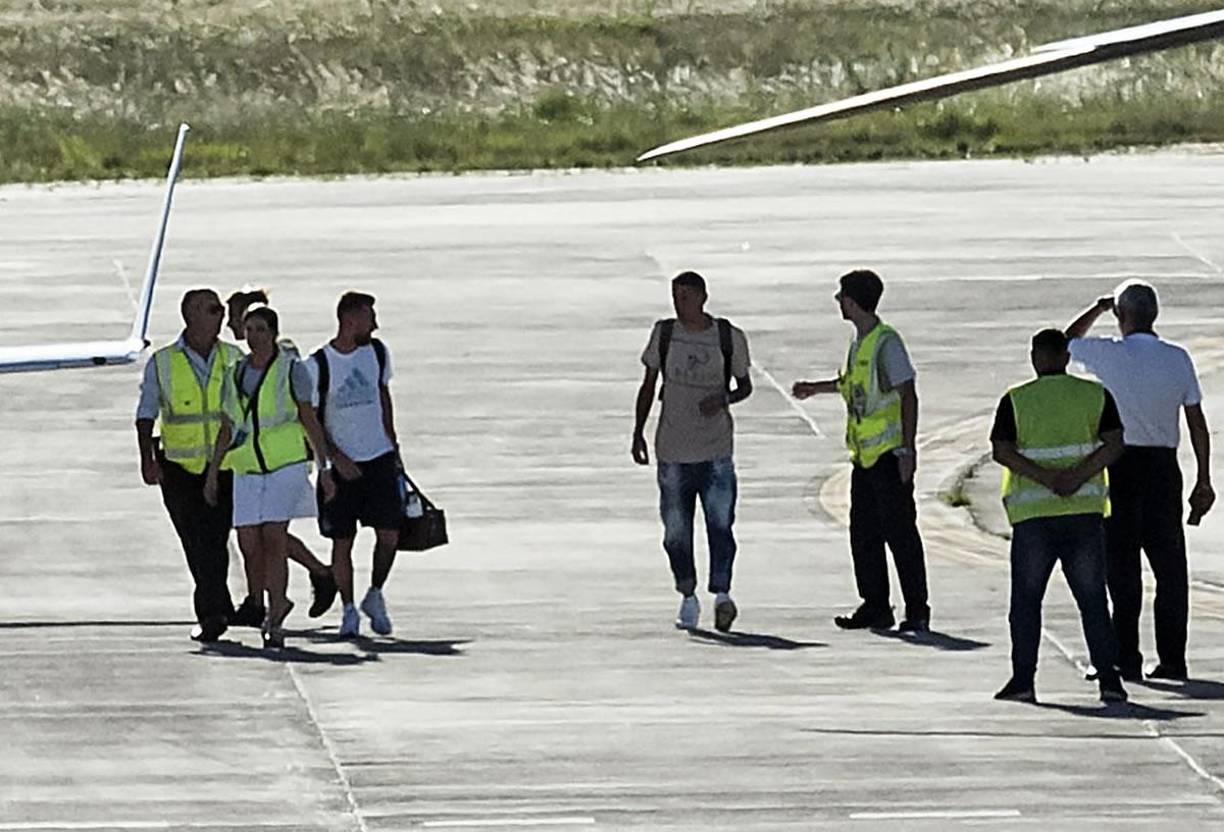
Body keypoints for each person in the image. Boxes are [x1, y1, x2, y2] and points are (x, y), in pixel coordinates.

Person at [1066, 281, 1215, 680]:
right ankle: (1172, 659)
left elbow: (1061, 345)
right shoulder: (1177, 358)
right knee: (1169, 570)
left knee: (1121, 567)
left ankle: (1124, 658)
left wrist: (1096, 310)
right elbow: (1196, 423)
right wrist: (1204, 477)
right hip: (1164, 467)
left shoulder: (1109, 354)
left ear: (1121, 315)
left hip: (1119, 464)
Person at [990, 329, 1127, 704]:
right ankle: (1110, 681)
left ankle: (1023, 680)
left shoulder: (1015, 400)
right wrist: (1078, 476)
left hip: (1033, 516)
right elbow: (1115, 444)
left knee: (1026, 600)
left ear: (1035, 357)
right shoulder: (1094, 394)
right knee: (1093, 599)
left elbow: (1002, 451)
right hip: (1083, 512)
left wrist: (1045, 478)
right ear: (1066, 358)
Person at [792, 269, 930, 632]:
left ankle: (917, 609)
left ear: (852, 301)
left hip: (888, 456)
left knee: (900, 534)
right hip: (864, 457)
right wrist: (815, 388)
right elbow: (852, 387)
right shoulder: (861, 342)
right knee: (864, 535)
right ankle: (876, 605)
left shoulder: (886, 343)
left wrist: (907, 451)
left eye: (841, 296)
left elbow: (908, 394)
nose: (838, 302)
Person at [202, 306, 335, 648]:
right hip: (248, 465)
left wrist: (325, 468)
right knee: (248, 541)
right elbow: (228, 426)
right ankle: (269, 599)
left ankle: (274, 613)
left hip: (284, 464)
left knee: (274, 537)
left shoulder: (292, 371)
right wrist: (213, 473)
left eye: (261, 329)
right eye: (249, 329)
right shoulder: (235, 372)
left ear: (274, 333)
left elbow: (309, 419)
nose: (254, 336)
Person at [632, 271, 753, 632]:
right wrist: (638, 432)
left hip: (715, 450)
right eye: (675, 295)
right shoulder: (665, 334)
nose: (679, 302)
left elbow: (745, 385)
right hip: (672, 450)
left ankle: (722, 593)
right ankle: (687, 593)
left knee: (720, 525)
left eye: (686, 296)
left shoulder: (728, 337)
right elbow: (648, 384)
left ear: (703, 297)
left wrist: (724, 399)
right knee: (675, 531)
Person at [136, 289, 245, 642]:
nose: (221, 316)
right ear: (191, 315)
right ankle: (216, 607)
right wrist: (147, 459)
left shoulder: (233, 357)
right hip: (179, 467)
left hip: (224, 463)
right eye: (214, 310)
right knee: (194, 540)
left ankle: (213, 610)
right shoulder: (164, 361)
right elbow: (146, 414)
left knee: (215, 538)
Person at [306, 292, 403, 637]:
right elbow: (312, 421)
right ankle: (348, 608)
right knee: (342, 541)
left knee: (390, 534)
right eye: (369, 318)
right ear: (350, 320)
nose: (374, 324)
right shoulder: (319, 365)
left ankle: (375, 593)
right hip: (342, 467)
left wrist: (394, 447)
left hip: (379, 458)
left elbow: (383, 396)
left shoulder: (377, 353)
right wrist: (332, 461)